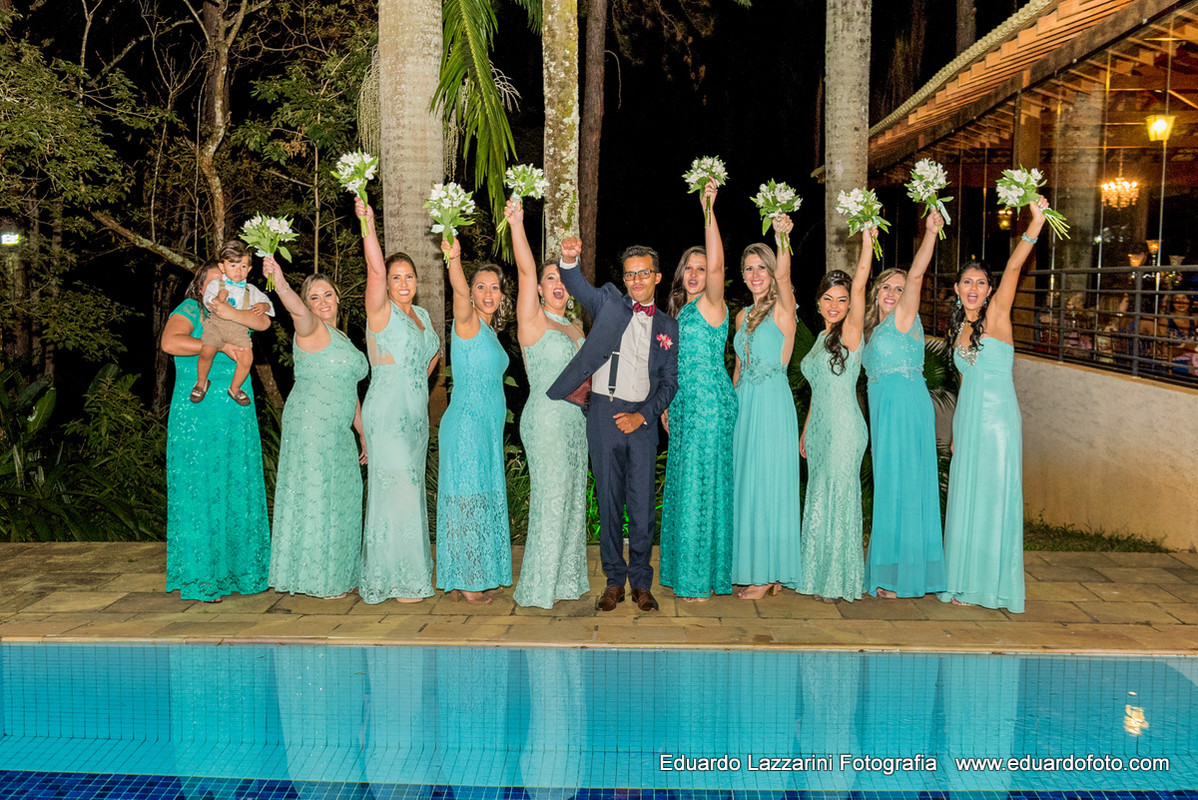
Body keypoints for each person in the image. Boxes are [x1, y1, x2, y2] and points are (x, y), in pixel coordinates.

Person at [547, 243, 680, 612]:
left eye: (643, 273)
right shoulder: (609, 303)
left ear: (656, 276)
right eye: (630, 274)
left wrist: (644, 415)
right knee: (608, 500)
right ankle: (613, 582)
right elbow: (577, 284)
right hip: (604, 415)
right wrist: (570, 259)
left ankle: (641, 582)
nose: (636, 280)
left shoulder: (669, 326)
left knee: (642, 506)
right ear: (624, 279)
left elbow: (670, 382)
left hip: (642, 420)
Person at [940, 198, 1047, 613]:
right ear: (956, 288)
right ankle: (965, 582)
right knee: (967, 498)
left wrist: (1034, 224)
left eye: (980, 283)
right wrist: (955, 434)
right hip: (968, 422)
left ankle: (992, 587)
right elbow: (965, 384)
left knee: (994, 498)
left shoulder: (999, 313)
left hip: (999, 422)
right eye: (967, 282)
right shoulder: (958, 329)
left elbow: (1016, 267)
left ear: (988, 289)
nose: (973, 289)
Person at [159, 260, 270, 602]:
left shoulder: (238, 310)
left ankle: (242, 572)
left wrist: (261, 300)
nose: (217, 287)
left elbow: (264, 320)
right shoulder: (190, 309)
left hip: (236, 414)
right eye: (212, 281)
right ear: (199, 287)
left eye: (224, 281)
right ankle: (202, 576)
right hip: (197, 415)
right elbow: (170, 342)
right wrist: (219, 346)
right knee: (201, 489)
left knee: (239, 486)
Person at [263, 257, 368, 599]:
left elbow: (349, 389)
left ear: (338, 297)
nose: (322, 302)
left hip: (339, 430)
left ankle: (342, 570)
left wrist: (363, 432)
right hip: (312, 423)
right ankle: (320, 579)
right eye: (314, 297)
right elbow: (296, 311)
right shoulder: (310, 328)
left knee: (345, 495)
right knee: (319, 496)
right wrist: (279, 282)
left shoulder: (342, 337)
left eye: (327, 295)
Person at [356, 200, 441, 604]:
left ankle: (406, 571)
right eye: (396, 277)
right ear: (386, 283)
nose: (403, 282)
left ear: (416, 280)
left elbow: (434, 355)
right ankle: (394, 577)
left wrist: (415, 382)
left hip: (414, 414)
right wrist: (368, 225)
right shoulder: (381, 312)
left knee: (408, 488)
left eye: (409, 276)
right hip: (387, 411)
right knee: (397, 489)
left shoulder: (423, 316)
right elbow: (372, 268)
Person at [507, 198, 589, 609]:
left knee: (573, 499)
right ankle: (539, 587)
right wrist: (519, 224)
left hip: (576, 423)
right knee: (552, 498)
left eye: (562, 278)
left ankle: (565, 581)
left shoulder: (575, 325)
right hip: (546, 420)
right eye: (550, 278)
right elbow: (523, 269)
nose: (557, 283)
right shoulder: (533, 319)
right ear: (539, 287)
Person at [860, 212, 946, 600]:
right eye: (887, 288)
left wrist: (929, 233)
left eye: (899, 288)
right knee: (890, 490)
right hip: (884, 415)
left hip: (907, 411)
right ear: (877, 292)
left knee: (907, 489)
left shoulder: (905, 318)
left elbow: (916, 276)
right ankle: (893, 571)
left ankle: (903, 577)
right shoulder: (871, 329)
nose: (894, 294)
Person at [658, 181, 737, 601]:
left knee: (700, 487)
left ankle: (697, 578)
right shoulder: (682, 311)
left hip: (709, 405)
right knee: (687, 485)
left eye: (701, 268)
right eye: (689, 267)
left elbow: (720, 267)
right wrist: (669, 402)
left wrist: (708, 210)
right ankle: (689, 570)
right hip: (687, 407)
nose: (694, 273)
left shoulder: (712, 304)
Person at [797, 227, 875, 603]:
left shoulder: (851, 334)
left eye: (841, 300)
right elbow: (817, 392)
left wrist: (868, 245)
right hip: (820, 429)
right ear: (818, 302)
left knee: (839, 497)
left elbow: (861, 286)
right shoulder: (817, 339)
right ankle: (817, 573)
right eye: (828, 298)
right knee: (820, 496)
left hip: (845, 429)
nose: (834, 305)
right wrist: (806, 431)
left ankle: (838, 580)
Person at [435, 239, 513, 604]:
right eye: (480, 286)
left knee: (482, 496)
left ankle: (482, 569)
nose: (487, 293)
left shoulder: (491, 333)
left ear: (501, 295)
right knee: (468, 498)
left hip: (486, 430)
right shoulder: (466, 323)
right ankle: (468, 579)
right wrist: (455, 259)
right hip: (466, 425)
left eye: (494, 287)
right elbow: (458, 290)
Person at [730, 216, 802, 600]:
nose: (756, 274)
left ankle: (767, 573)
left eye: (763, 268)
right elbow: (739, 368)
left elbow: (787, 279)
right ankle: (755, 568)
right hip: (745, 406)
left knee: (768, 484)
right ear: (742, 276)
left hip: (773, 405)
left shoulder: (783, 310)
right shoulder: (741, 317)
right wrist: (729, 409)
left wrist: (781, 237)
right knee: (747, 485)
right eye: (749, 268)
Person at [190, 241, 274, 406]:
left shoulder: (251, 290)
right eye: (233, 265)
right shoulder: (216, 284)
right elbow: (208, 300)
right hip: (216, 325)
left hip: (239, 330)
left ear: (249, 269)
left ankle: (235, 388)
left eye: (243, 266)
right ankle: (201, 382)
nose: (238, 270)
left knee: (247, 358)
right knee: (207, 351)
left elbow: (269, 304)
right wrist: (218, 298)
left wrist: (264, 305)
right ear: (222, 267)